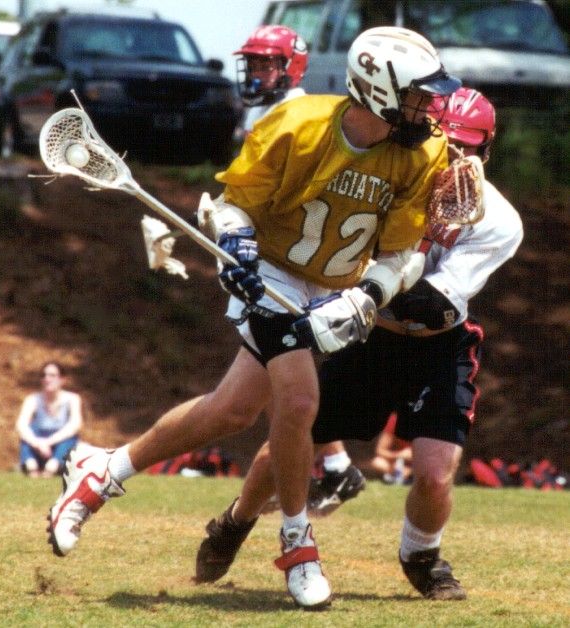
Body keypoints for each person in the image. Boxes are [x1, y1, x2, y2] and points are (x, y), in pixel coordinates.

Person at [47, 26, 460, 609]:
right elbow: (234, 204)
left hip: (335, 285)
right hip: (272, 272)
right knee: (300, 402)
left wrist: (366, 295)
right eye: (418, 95)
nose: (430, 107)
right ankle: (298, 544)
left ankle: (102, 471)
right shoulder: (297, 125)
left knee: (232, 410)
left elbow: (402, 253)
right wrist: (236, 246)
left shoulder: (423, 152)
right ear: (378, 90)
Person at [194, 87, 523, 602]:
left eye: (468, 150)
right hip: (373, 338)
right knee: (293, 439)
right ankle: (236, 521)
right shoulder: (394, 177)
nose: (455, 161)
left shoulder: (499, 221)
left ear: (487, 151)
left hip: (439, 344)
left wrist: (360, 294)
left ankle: (422, 557)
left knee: (436, 474)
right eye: (448, 146)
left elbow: (433, 302)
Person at [236, 24, 367, 517]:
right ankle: (335, 465)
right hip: (262, 256)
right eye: (252, 63)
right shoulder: (261, 112)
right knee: (277, 379)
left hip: (289, 262)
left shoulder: (297, 114)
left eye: (266, 64)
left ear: (291, 67)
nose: (256, 72)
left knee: (266, 386)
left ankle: (332, 467)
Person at [16, 361, 83, 478]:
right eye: (44, 375)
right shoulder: (32, 399)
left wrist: (48, 442)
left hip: (60, 443)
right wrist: (38, 443)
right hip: (39, 444)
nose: (47, 379)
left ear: (62, 379)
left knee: (71, 437)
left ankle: (53, 467)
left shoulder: (72, 399)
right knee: (30, 431)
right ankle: (31, 466)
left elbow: (75, 425)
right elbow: (21, 425)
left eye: (52, 375)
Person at [363, 412, 413, 484]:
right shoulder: (394, 420)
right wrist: (400, 455)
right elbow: (380, 450)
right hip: (397, 464)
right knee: (377, 462)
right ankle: (397, 476)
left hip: (419, 465)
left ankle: (406, 476)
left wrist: (411, 470)